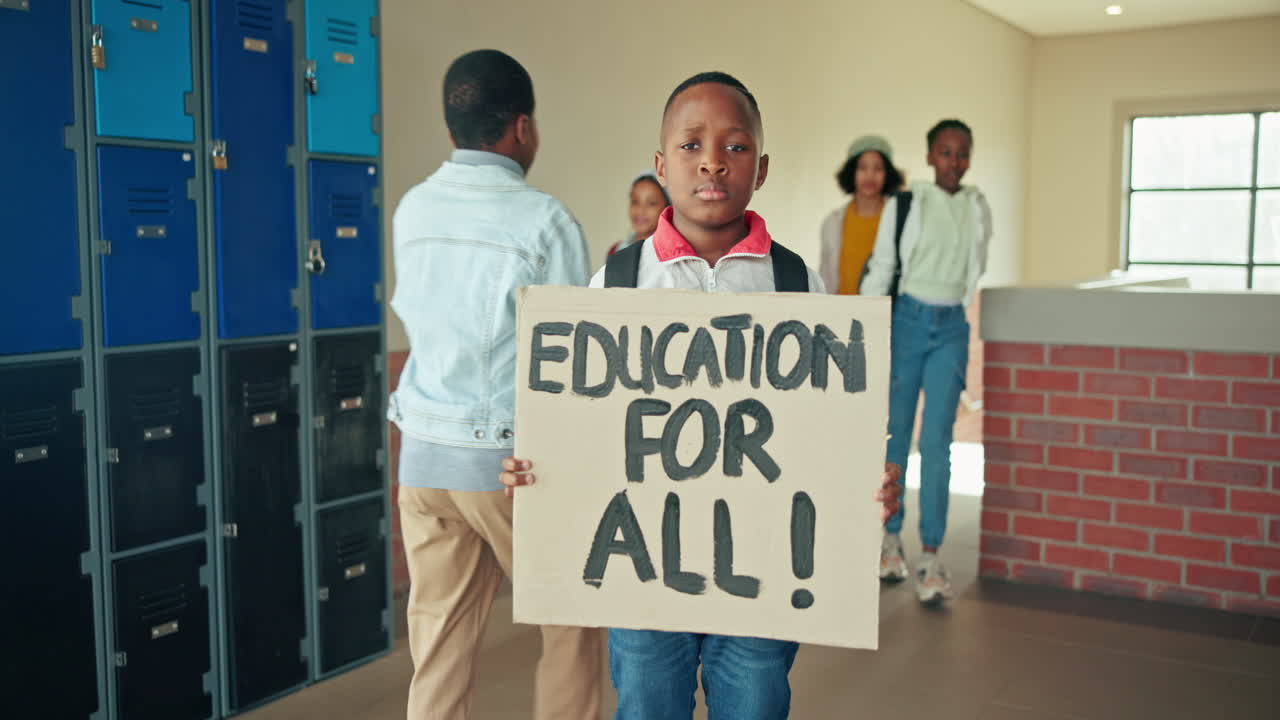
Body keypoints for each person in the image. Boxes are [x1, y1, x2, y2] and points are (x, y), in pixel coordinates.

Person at [500, 71, 903, 720]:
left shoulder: (796, 282)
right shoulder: (621, 280)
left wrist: (863, 480)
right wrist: (543, 467)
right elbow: (582, 416)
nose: (712, 160)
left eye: (735, 147)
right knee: (649, 702)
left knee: (754, 699)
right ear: (661, 165)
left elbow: (827, 421)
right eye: (690, 146)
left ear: (762, 167)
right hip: (643, 578)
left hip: (761, 576)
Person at [386, 49, 604, 720]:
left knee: (439, 644)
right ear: (522, 128)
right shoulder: (546, 221)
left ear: (452, 128)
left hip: (421, 461)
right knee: (571, 617)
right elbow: (569, 366)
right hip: (508, 465)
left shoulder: (412, 210)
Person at [860, 119, 992, 605]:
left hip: (952, 325)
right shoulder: (907, 203)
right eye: (945, 152)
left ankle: (931, 556)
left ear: (969, 158)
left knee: (937, 440)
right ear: (930, 156)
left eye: (962, 153)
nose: (953, 162)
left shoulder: (978, 207)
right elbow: (882, 267)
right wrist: (869, 326)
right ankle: (889, 540)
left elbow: (975, 265)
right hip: (908, 321)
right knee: (894, 432)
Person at [818, 135, 903, 295]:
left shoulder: (899, 218)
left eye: (878, 168)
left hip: (888, 311)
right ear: (851, 172)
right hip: (843, 311)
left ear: (888, 174)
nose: (870, 175)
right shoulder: (833, 222)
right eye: (863, 168)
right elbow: (826, 278)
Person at [607, 171, 671, 255]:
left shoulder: (673, 253)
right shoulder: (616, 251)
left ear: (667, 207)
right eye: (635, 201)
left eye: (651, 203)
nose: (640, 210)